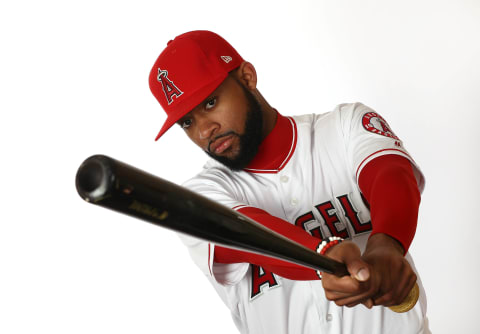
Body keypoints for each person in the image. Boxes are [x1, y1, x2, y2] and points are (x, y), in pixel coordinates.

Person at [148, 30, 429, 334]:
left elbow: (391, 175)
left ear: (247, 77)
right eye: (187, 121)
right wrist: (323, 255)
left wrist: (387, 244)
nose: (204, 130)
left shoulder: (344, 127)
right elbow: (243, 229)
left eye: (211, 102)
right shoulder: (199, 196)